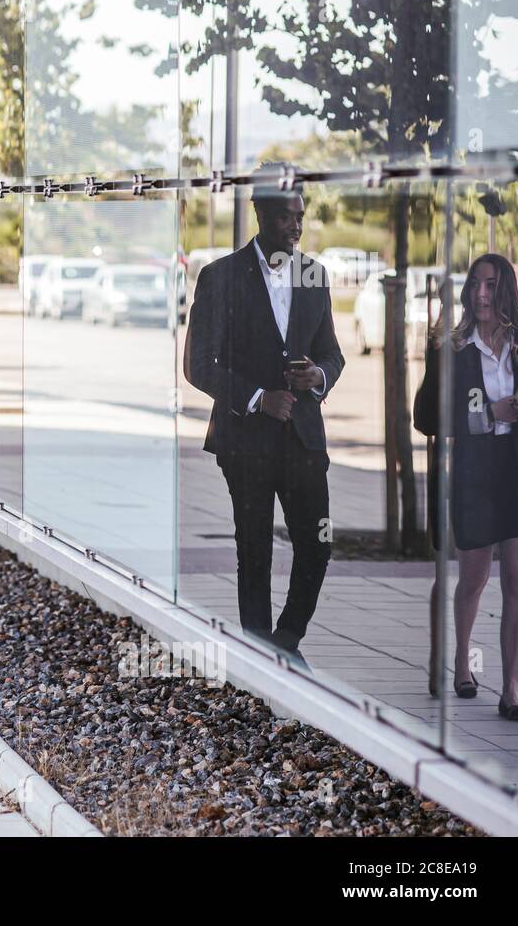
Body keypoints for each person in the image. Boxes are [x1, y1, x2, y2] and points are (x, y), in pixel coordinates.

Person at [183, 168, 345, 668]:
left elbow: (333, 356)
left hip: (303, 440)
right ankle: (257, 655)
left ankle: (285, 641)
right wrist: (257, 397)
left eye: (300, 217)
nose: (295, 227)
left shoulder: (314, 275)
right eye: (285, 217)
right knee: (253, 551)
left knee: (317, 545)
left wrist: (317, 375)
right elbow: (199, 364)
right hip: (244, 442)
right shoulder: (220, 276)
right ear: (261, 215)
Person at [414, 253, 518, 720]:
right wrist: (490, 414)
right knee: (475, 577)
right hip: (473, 472)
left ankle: (512, 690)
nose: (481, 294)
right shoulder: (453, 346)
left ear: (506, 293)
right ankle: (461, 661)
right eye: (476, 285)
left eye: (491, 286)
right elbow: (426, 417)